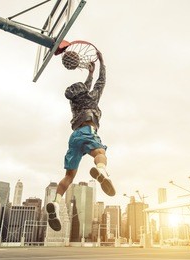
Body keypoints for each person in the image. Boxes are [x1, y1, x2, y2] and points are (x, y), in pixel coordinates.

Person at [46, 51, 115, 231]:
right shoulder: (92, 98)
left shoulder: (74, 101)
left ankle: (55, 202)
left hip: (74, 137)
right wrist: (101, 62)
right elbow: (102, 82)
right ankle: (102, 172)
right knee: (100, 153)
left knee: (69, 176)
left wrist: (89, 74)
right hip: (87, 131)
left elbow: (84, 87)